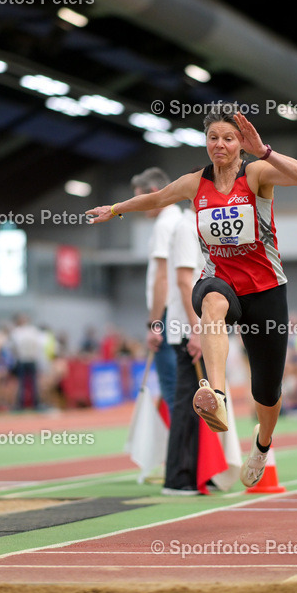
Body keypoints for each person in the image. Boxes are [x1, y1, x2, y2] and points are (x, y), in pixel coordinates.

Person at [88, 104, 297, 487]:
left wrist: (265, 151)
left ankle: (261, 444)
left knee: (267, 392)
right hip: (220, 281)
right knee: (211, 303)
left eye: (228, 138)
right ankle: (217, 395)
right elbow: (157, 198)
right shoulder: (196, 183)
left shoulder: (256, 173)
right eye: (213, 138)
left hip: (265, 290)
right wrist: (116, 209)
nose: (220, 145)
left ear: (240, 143)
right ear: (206, 142)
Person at [161, 196, 204, 495]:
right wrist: (196, 328)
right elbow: (184, 281)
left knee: (201, 405)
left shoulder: (198, 227)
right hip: (188, 331)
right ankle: (178, 476)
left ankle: (198, 471)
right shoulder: (187, 229)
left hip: (195, 328)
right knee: (188, 404)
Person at [132, 167, 182, 415]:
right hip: (183, 313)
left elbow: (161, 279)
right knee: (185, 389)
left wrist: (154, 324)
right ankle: (193, 450)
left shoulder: (164, 226)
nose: (138, 206)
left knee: (173, 390)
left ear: (153, 193)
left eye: (138, 198)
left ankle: (183, 452)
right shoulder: (182, 220)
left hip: (166, 313)